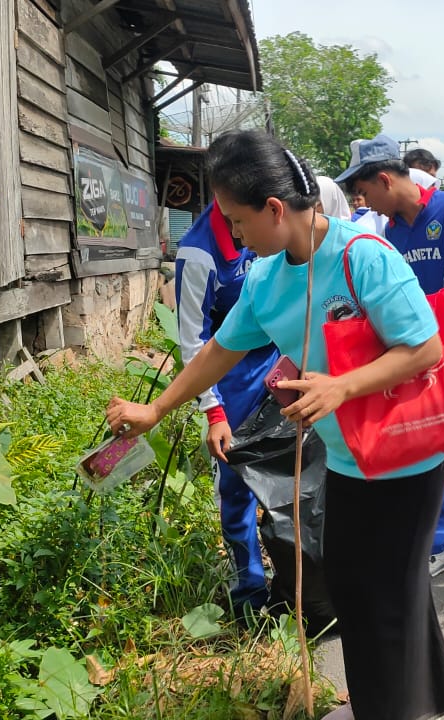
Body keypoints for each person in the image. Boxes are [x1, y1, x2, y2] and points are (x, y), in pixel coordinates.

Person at [106, 130, 444, 720]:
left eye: (236, 219)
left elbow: (424, 348)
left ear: (274, 209)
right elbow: (216, 352)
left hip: (406, 457)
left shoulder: (362, 256)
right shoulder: (267, 279)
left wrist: (340, 385)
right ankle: (406, 697)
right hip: (348, 457)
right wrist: (157, 410)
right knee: (353, 580)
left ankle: (389, 708)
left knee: (385, 592)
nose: (233, 233)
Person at [337, 133, 444, 577]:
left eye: (365, 191)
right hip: (416, 354)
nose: (365, 202)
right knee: (432, 439)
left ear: (383, 179)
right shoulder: (390, 231)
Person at [174, 200, 279, 618]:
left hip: (284, 360)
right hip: (231, 372)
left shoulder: (275, 220)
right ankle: (250, 595)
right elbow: (193, 341)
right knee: (236, 485)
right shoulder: (200, 252)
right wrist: (214, 412)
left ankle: (298, 578)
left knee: (296, 474)